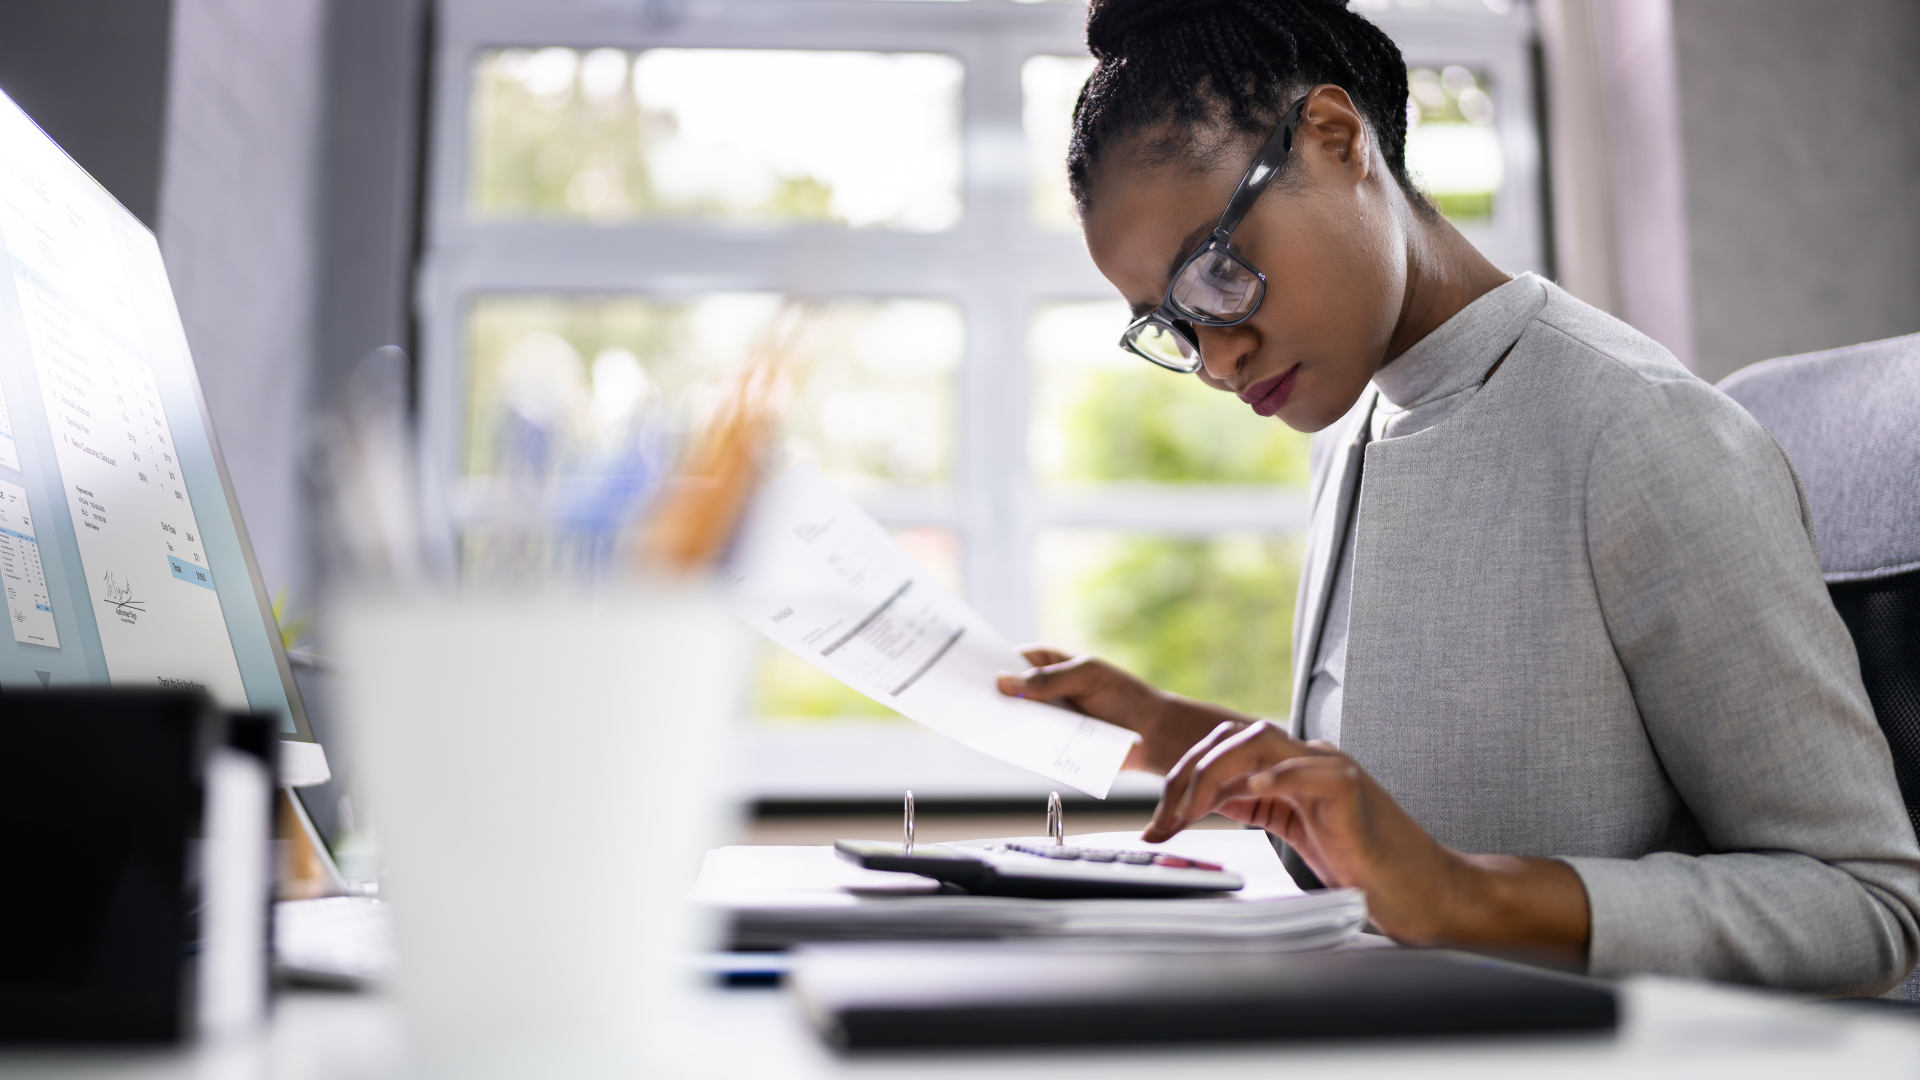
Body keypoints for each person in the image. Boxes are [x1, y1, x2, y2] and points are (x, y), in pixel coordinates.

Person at [996, 0, 1920, 994]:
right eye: (1171, 325)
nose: (1217, 359)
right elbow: (1409, 800)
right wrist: (1171, 727)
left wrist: (1465, 894)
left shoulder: (1640, 432)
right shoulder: (1354, 421)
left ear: (1337, 139)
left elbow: (1865, 905)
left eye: (1217, 273)